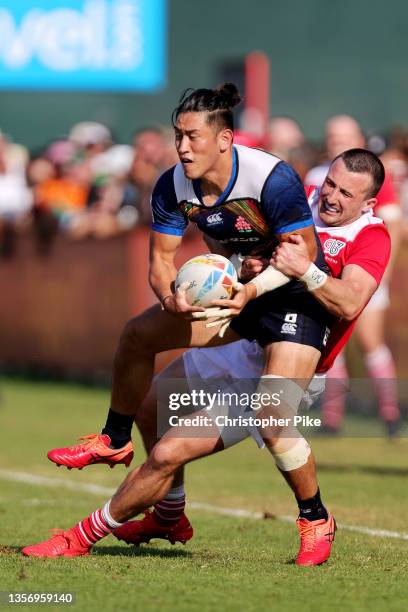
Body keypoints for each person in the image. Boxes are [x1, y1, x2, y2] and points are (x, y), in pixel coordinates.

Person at [23, 149, 390, 567]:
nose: (332, 196)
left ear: (368, 203)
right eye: (330, 184)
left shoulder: (371, 236)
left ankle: (315, 518)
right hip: (245, 334)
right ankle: (168, 514)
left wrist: (306, 270)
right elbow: (245, 250)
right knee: (149, 407)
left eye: (346, 193)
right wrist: (239, 260)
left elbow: (349, 301)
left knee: (187, 447)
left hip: (293, 353)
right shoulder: (298, 200)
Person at [306, 116, 402, 435]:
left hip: (365, 273)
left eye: (344, 135)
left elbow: (393, 226)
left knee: (370, 341)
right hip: (325, 276)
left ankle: (390, 413)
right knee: (333, 346)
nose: (337, 141)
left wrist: (380, 279)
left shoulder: (373, 177)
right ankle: (333, 417)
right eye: (333, 135)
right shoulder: (316, 178)